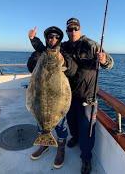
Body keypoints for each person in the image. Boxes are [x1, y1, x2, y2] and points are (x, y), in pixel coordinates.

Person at [29, 18, 114, 174]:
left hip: (87, 96)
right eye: (70, 29)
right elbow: (47, 49)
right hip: (69, 96)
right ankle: (74, 138)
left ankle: (86, 159)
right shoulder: (65, 47)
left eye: (75, 28)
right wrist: (34, 40)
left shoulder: (91, 45)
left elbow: (110, 63)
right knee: (72, 124)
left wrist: (104, 60)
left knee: (87, 129)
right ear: (67, 31)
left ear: (80, 29)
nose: (73, 31)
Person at [26, 26, 77, 169]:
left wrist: (64, 62)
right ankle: (44, 144)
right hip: (41, 96)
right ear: (46, 39)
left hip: (57, 98)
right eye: (50, 37)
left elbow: (72, 70)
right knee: (40, 122)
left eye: (56, 37)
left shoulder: (64, 52)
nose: (53, 39)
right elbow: (30, 67)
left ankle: (61, 149)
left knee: (60, 125)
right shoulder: (39, 52)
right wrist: (37, 55)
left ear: (59, 39)